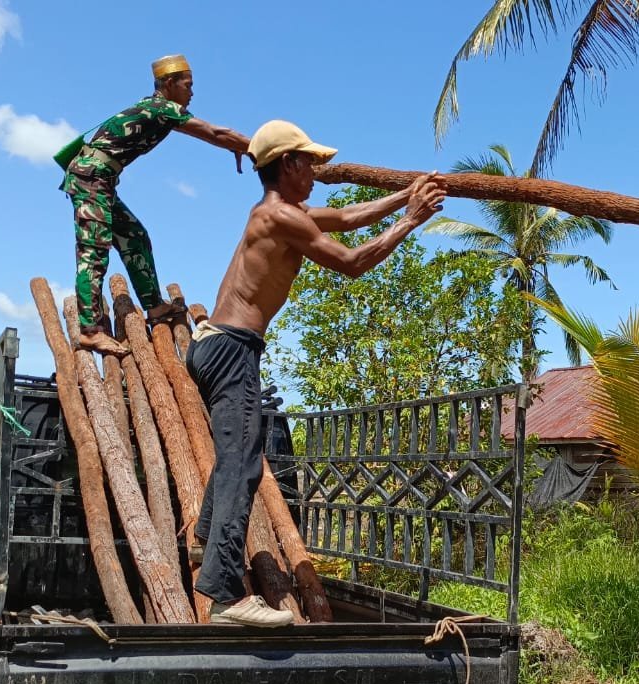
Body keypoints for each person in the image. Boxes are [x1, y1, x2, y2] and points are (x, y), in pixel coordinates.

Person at [192, 120, 445, 627]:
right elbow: (352, 263)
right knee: (243, 464)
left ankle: (204, 545)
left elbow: (348, 217)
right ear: (288, 164)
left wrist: (402, 197)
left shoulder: (282, 213)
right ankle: (223, 596)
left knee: (233, 456)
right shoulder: (280, 217)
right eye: (308, 161)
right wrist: (411, 220)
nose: (316, 170)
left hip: (218, 344)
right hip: (233, 348)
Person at [58, 54, 249, 354]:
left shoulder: (161, 111)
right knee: (93, 250)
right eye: (188, 85)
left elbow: (215, 135)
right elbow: (215, 133)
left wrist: (236, 146)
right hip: (91, 177)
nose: (192, 92)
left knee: (135, 236)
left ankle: (154, 307)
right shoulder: (161, 108)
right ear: (169, 84)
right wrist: (256, 148)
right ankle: (90, 330)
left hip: (100, 178)